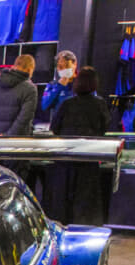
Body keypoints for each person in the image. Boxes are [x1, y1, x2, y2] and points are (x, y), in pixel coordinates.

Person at [47, 66, 110, 225]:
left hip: (65, 160)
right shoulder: (100, 104)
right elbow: (104, 128)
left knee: (63, 200)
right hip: (88, 159)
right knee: (85, 201)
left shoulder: (67, 103)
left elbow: (55, 128)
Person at [0, 54, 37, 136]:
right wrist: (7, 136)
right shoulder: (30, 89)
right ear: (30, 70)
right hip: (19, 140)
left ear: (14, 66)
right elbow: (25, 118)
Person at [41, 50, 76, 117]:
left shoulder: (83, 83)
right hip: (60, 121)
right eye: (60, 67)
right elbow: (44, 106)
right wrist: (59, 87)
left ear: (74, 64)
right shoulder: (52, 85)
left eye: (67, 65)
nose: (64, 69)